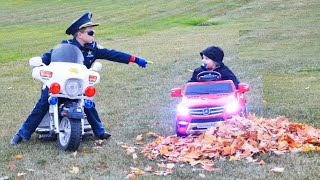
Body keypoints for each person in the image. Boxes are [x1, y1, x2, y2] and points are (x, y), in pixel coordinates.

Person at [10, 12, 150, 145]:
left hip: (78, 85)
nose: (93, 35)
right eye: (90, 32)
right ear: (79, 34)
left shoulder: (93, 49)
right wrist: (40, 63)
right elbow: (47, 58)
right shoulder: (65, 46)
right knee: (43, 103)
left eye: (93, 32)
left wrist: (135, 59)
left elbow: (113, 54)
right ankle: (22, 133)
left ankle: (99, 131)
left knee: (89, 104)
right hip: (59, 83)